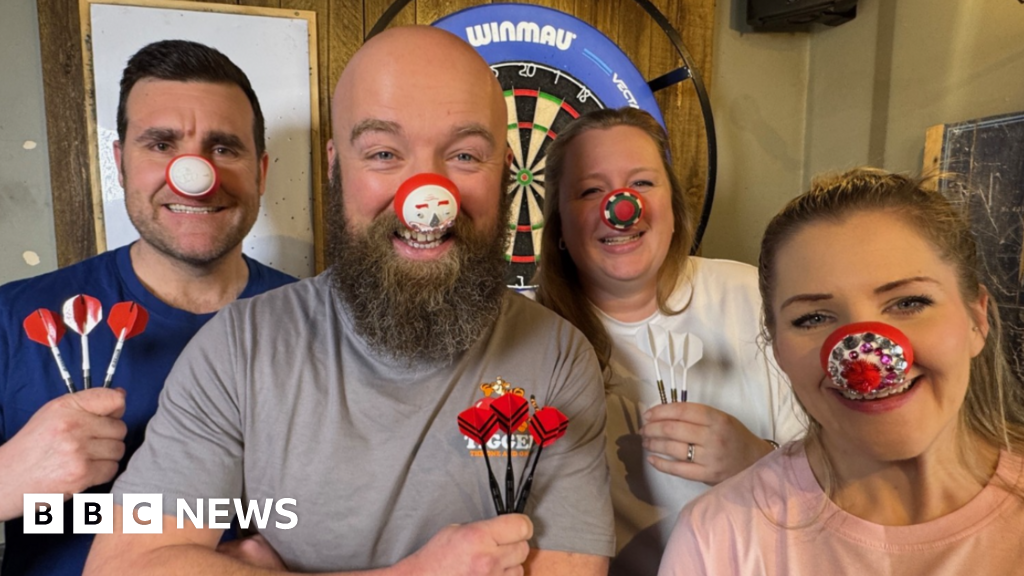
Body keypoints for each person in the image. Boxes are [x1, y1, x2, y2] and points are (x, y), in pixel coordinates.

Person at [84, 26, 613, 575]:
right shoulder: (237, 349)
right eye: (384, 153)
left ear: (504, 167)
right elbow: (123, 567)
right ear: (336, 165)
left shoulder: (557, 359)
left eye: (464, 155)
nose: (426, 197)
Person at [0, 40, 295, 575]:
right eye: (161, 145)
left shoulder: (322, 325)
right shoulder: (12, 319)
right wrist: (4, 480)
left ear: (261, 171)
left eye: (224, 148)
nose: (194, 176)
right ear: (120, 163)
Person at [658, 168, 1024, 575]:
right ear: (776, 348)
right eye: (813, 318)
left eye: (909, 303)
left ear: (976, 320)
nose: (865, 361)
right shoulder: (716, 539)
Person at [534, 107, 802, 575]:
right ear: (559, 225)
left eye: (641, 183)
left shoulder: (757, 298)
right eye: (591, 190)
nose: (622, 208)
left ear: (674, 208)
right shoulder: (531, 341)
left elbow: (848, 480)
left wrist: (757, 461)